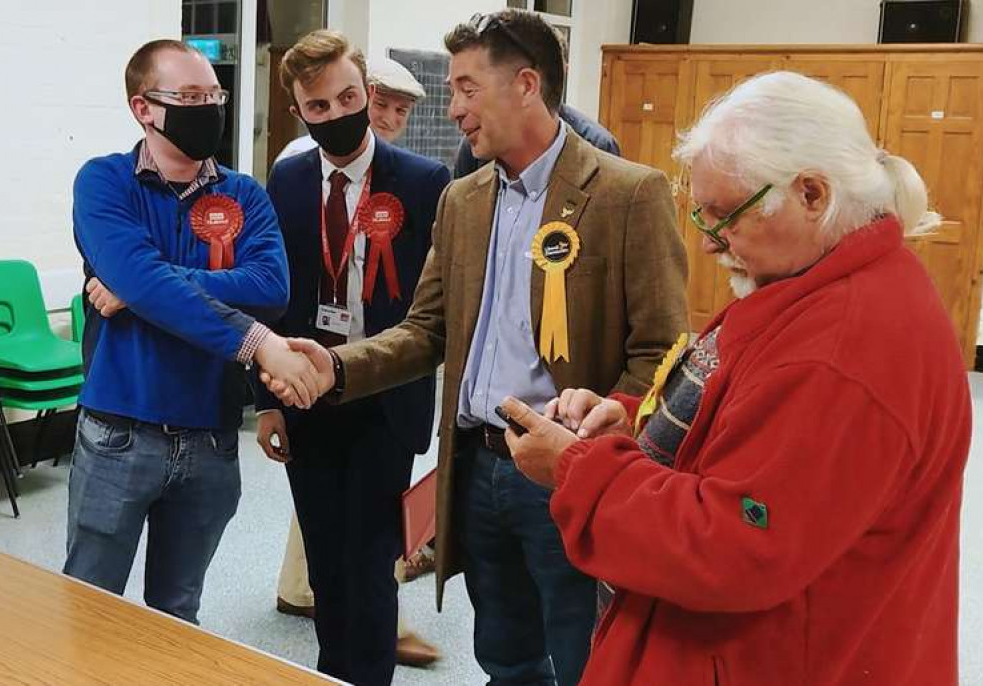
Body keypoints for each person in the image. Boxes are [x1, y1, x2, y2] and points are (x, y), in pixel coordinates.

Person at [500, 71, 972, 686]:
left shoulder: (843, 347)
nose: (709, 242)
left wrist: (577, 469)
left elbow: (736, 544)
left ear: (812, 194)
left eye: (726, 216)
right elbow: (747, 420)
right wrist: (638, 421)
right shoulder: (818, 282)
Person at [262, 10, 689, 686]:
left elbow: (663, 351)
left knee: (586, 657)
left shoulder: (627, 194)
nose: (454, 108)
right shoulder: (463, 200)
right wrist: (337, 365)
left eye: (465, 88)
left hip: (565, 472)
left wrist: (595, 427)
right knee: (505, 656)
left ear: (524, 84)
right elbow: (424, 329)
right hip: (477, 469)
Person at [66, 39, 325, 624]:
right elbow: (143, 276)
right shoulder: (104, 183)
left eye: (214, 95)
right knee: (89, 606)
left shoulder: (244, 195)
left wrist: (141, 287)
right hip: (118, 432)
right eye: (188, 97)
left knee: (178, 614)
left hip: (209, 436)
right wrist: (256, 341)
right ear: (143, 108)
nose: (207, 107)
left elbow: (269, 288)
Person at [252, 30, 450, 686]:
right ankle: (332, 673)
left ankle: (364, 675)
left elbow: (433, 311)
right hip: (306, 398)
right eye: (319, 107)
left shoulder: (424, 183)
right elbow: (277, 298)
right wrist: (268, 401)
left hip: (384, 401)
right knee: (327, 568)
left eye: (348, 97)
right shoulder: (287, 177)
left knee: (370, 569)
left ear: (367, 91)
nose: (337, 115)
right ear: (298, 113)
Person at [452, 29, 620, 178]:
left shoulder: (597, 143)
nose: (454, 111)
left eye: (468, 90)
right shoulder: (474, 147)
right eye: (452, 91)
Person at [275, 55, 426, 161]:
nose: (389, 119)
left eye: (401, 110)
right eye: (381, 104)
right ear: (367, 96)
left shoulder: (410, 173)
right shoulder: (300, 155)